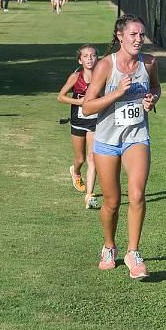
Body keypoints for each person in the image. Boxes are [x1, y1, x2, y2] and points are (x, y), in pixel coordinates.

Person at [82, 15, 160, 279]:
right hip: (107, 139)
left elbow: (157, 88)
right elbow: (87, 106)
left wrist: (152, 99)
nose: (139, 40)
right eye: (133, 35)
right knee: (112, 202)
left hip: (136, 136)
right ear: (120, 36)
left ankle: (133, 252)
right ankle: (109, 246)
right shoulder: (106, 66)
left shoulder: (148, 63)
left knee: (137, 194)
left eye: (141, 35)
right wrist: (116, 94)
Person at [57, 45, 100, 210]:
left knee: (92, 158)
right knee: (81, 159)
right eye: (86, 56)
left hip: (95, 122)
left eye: (93, 55)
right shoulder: (76, 77)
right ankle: (75, 172)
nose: (89, 58)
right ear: (80, 60)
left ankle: (89, 195)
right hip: (78, 121)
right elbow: (60, 97)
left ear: (97, 58)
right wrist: (80, 102)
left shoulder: (101, 76)